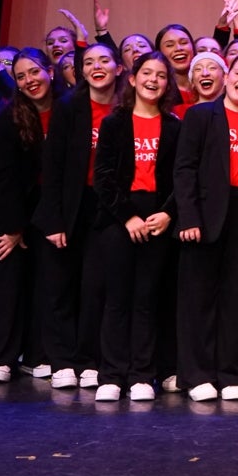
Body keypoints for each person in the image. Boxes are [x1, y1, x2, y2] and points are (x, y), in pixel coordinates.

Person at [173, 53, 238, 402]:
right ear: (227, 77)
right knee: (198, 298)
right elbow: (184, 169)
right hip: (206, 215)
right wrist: (189, 217)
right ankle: (196, 375)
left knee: (236, 298)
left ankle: (231, 374)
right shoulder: (201, 115)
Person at [91, 52, 181, 402]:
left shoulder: (174, 126)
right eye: (146, 73)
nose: (153, 80)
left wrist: (168, 213)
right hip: (119, 218)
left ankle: (143, 374)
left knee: (147, 299)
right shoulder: (115, 123)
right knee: (117, 299)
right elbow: (103, 178)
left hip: (158, 217)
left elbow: (180, 178)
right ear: (132, 79)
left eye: (161, 75)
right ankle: (111, 375)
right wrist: (127, 216)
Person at [33, 42, 122, 390]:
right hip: (70, 206)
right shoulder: (69, 107)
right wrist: (54, 219)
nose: (96, 67)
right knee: (60, 285)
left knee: (95, 286)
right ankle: (62, 360)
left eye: (104, 60)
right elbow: (52, 167)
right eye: (89, 62)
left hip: (107, 205)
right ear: (81, 71)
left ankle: (88, 359)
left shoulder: (126, 107)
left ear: (118, 67)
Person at [0, 48, 61, 382]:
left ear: (49, 72)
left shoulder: (67, 109)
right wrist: (15, 228)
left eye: (34, 72)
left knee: (46, 279)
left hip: (52, 205)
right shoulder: (11, 118)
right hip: (11, 206)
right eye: (21, 76)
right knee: (5, 273)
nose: (29, 80)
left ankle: (37, 354)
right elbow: (4, 179)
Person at [155, 24, 197, 106]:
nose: (178, 48)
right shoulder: (158, 92)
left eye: (184, 42)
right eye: (170, 45)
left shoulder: (207, 86)